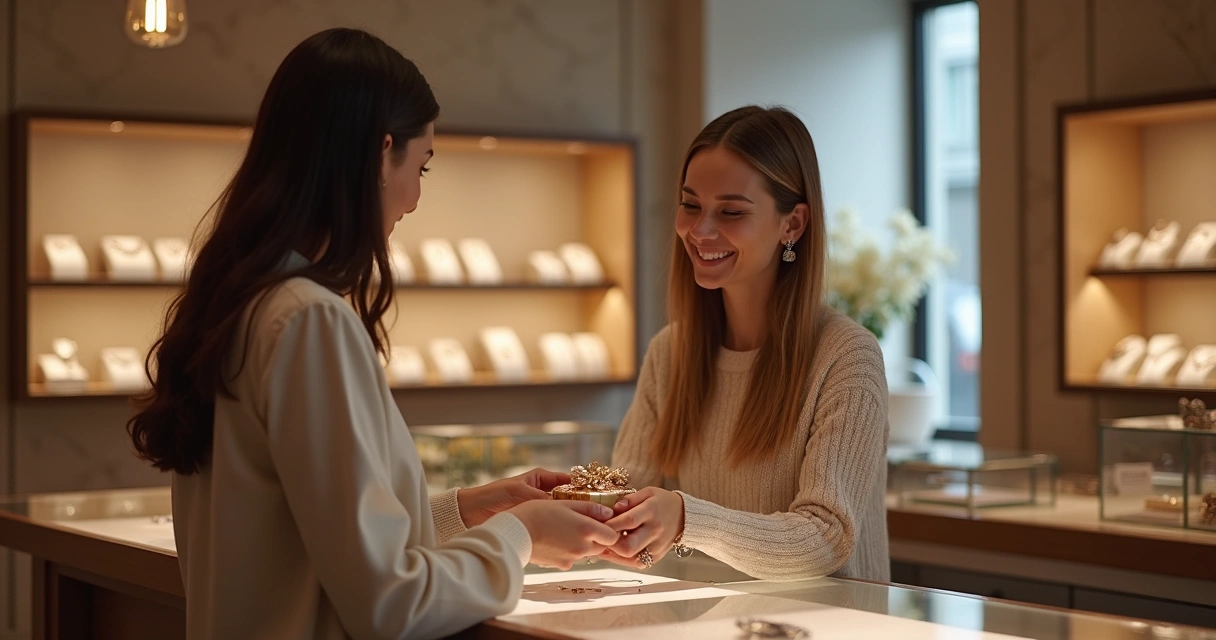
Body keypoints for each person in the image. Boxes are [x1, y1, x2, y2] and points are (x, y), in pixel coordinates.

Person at [126, 28, 618, 640]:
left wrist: (471, 512)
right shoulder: (308, 320)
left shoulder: (240, 304)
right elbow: (391, 604)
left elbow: (308, 538)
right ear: (379, 152)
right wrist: (524, 534)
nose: (413, 199)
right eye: (422, 166)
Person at [605, 105, 890, 582]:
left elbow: (823, 538)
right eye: (690, 205)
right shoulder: (669, 354)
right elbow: (628, 500)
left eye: (731, 212)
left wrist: (683, 519)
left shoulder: (847, 357)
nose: (700, 231)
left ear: (793, 225)